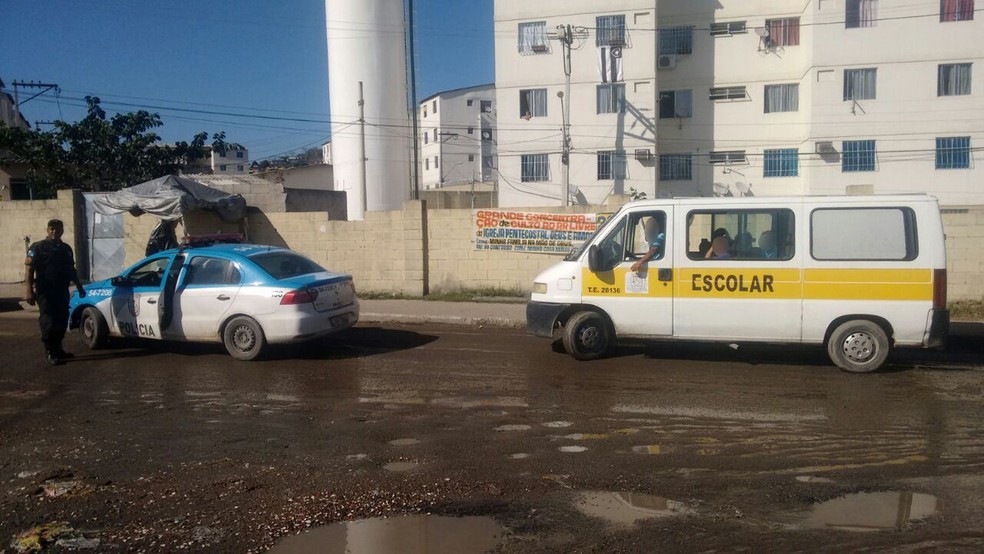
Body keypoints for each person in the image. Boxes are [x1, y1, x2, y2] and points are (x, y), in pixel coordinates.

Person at [25, 219, 86, 366]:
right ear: (47, 230)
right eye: (52, 229)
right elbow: (29, 270)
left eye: (58, 229)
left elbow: (72, 270)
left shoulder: (66, 248)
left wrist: (79, 287)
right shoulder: (38, 247)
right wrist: (29, 291)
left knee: (62, 319)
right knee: (49, 321)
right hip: (45, 291)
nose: (55, 231)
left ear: (62, 230)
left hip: (61, 290)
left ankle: (58, 349)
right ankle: (50, 352)